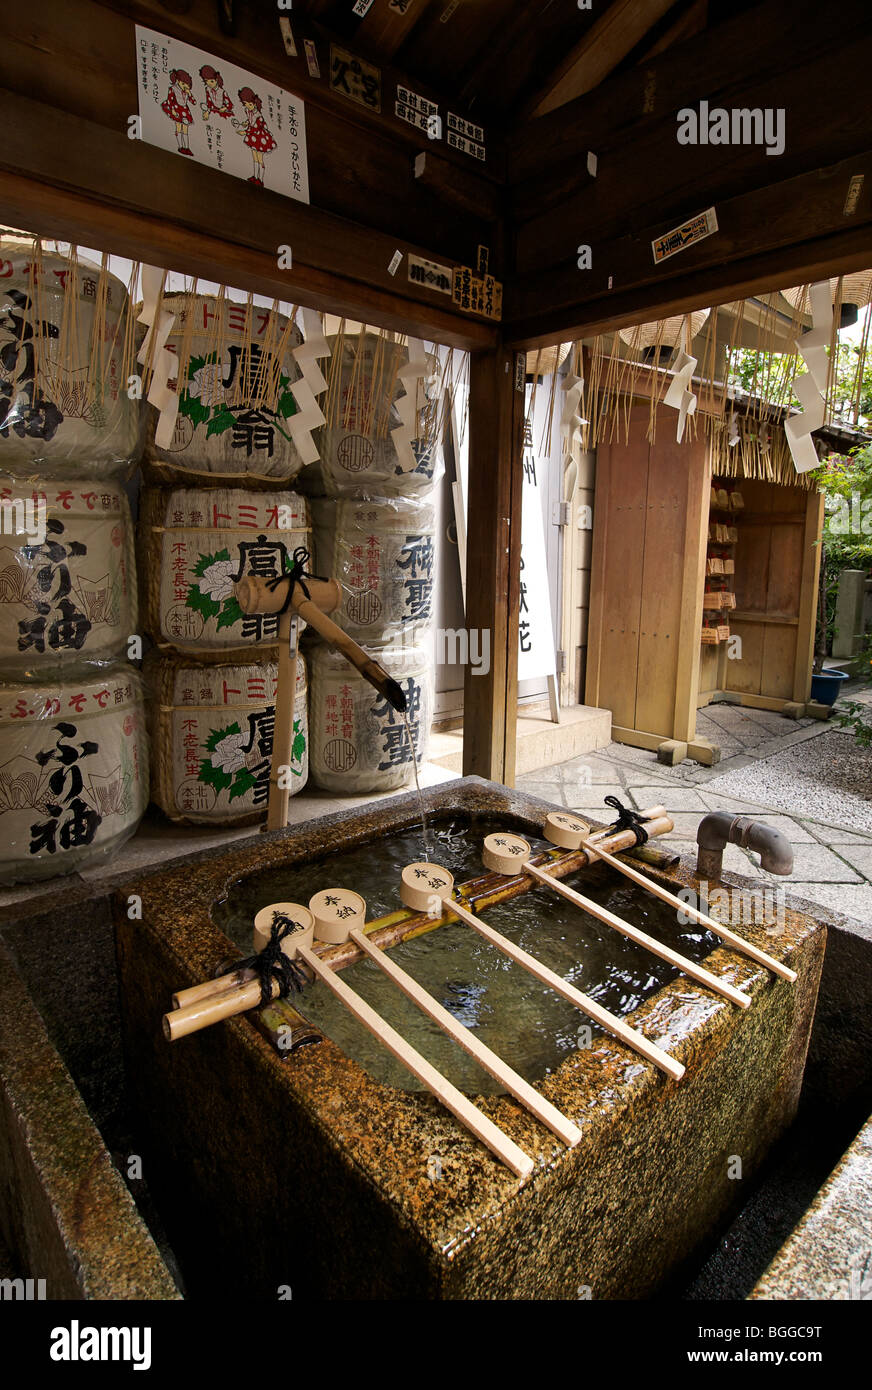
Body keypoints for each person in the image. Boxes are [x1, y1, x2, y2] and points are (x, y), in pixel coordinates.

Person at [236, 87, 277, 187]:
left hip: (259, 137)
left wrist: (245, 132)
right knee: (254, 157)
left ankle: (261, 180)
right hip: (252, 137)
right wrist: (245, 123)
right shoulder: (248, 111)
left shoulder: (258, 115)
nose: (248, 106)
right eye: (245, 104)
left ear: (254, 103)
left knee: (259, 158)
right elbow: (249, 121)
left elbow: (256, 128)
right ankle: (255, 176)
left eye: (250, 104)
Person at [160, 69, 195, 155]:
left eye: (186, 84)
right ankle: (180, 147)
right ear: (178, 81)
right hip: (176, 109)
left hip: (185, 111)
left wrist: (189, 94)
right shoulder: (173, 89)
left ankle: (186, 148)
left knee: (185, 129)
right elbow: (170, 100)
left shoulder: (187, 91)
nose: (185, 86)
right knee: (179, 127)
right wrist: (172, 110)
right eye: (183, 83)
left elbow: (194, 102)